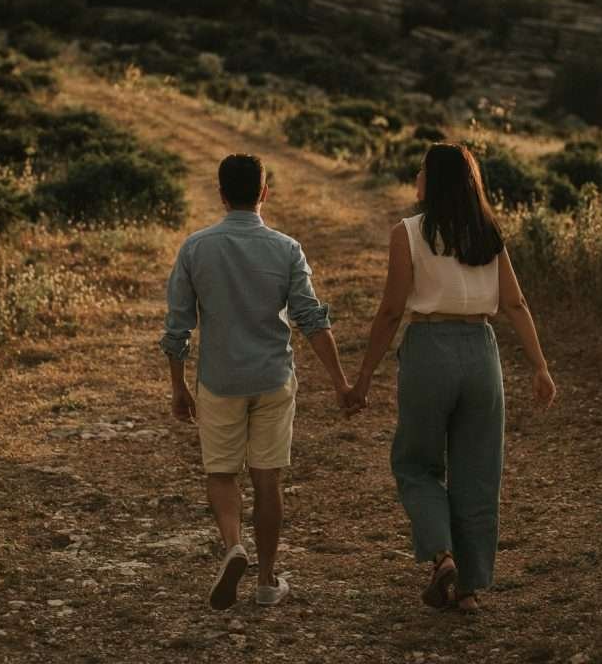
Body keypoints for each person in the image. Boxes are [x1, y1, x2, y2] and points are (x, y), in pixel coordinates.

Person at [347, 143, 556, 613]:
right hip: (482, 354)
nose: (416, 177)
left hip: (429, 350)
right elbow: (515, 304)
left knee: (416, 464)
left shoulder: (408, 233)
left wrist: (363, 379)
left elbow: (390, 311)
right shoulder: (487, 232)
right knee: (479, 473)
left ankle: (442, 557)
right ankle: (469, 589)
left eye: (420, 170)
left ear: (433, 180)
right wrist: (540, 366)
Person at [160, 153, 351, 610]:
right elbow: (310, 318)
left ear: (220, 193)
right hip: (272, 378)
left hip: (220, 379)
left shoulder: (196, 248)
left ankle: (233, 547)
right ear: (264, 192)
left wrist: (178, 386)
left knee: (221, 472)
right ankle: (267, 582)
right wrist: (343, 384)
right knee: (269, 480)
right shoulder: (287, 249)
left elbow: (178, 328)